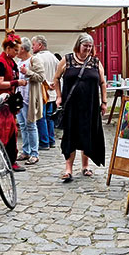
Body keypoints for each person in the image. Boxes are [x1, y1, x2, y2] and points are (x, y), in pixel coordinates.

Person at [53, 33, 107, 182]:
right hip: (71, 107)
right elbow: (56, 78)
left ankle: (85, 166)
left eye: (90, 46)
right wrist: (58, 96)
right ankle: (68, 168)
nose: (88, 49)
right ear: (78, 45)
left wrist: (104, 102)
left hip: (90, 105)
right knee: (70, 136)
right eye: (85, 46)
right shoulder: (67, 60)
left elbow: (102, 82)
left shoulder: (95, 62)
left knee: (87, 134)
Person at [0, 30, 28, 172]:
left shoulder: (10, 61)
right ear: (8, 48)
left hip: (8, 101)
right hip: (0, 102)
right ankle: (10, 160)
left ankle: (10, 159)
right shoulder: (0, 62)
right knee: (8, 131)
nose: (17, 52)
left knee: (11, 131)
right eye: (15, 50)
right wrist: (16, 82)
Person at [15, 37, 44, 165]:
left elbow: (41, 77)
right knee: (22, 125)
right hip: (19, 98)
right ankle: (26, 151)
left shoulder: (34, 60)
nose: (16, 51)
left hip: (29, 98)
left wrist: (28, 72)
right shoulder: (18, 61)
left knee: (31, 125)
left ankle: (34, 153)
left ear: (23, 49)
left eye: (17, 49)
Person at [31, 35, 60, 150]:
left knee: (41, 117)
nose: (32, 47)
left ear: (40, 45)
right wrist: (55, 85)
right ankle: (51, 140)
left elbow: (38, 75)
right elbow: (60, 74)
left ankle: (44, 142)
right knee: (49, 117)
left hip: (42, 91)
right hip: (51, 92)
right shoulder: (54, 58)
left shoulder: (37, 58)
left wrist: (48, 83)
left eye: (33, 45)